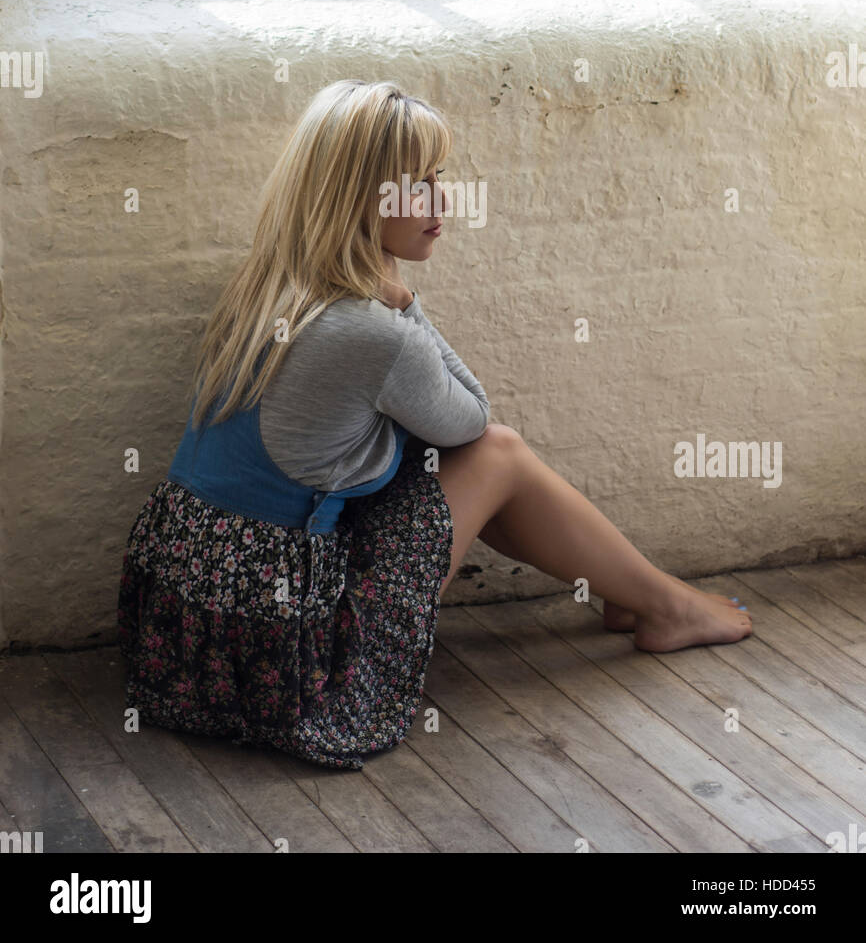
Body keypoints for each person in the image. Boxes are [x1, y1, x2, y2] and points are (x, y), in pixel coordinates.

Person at [117, 79, 751, 772]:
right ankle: (662, 603)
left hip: (183, 631)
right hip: (290, 657)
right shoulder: (369, 330)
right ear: (357, 197)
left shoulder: (268, 283)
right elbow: (470, 418)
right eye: (415, 186)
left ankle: (638, 595)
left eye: (437, 178)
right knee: (498, 454)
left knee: (459, 464)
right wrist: (406, 305)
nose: (441, 203)